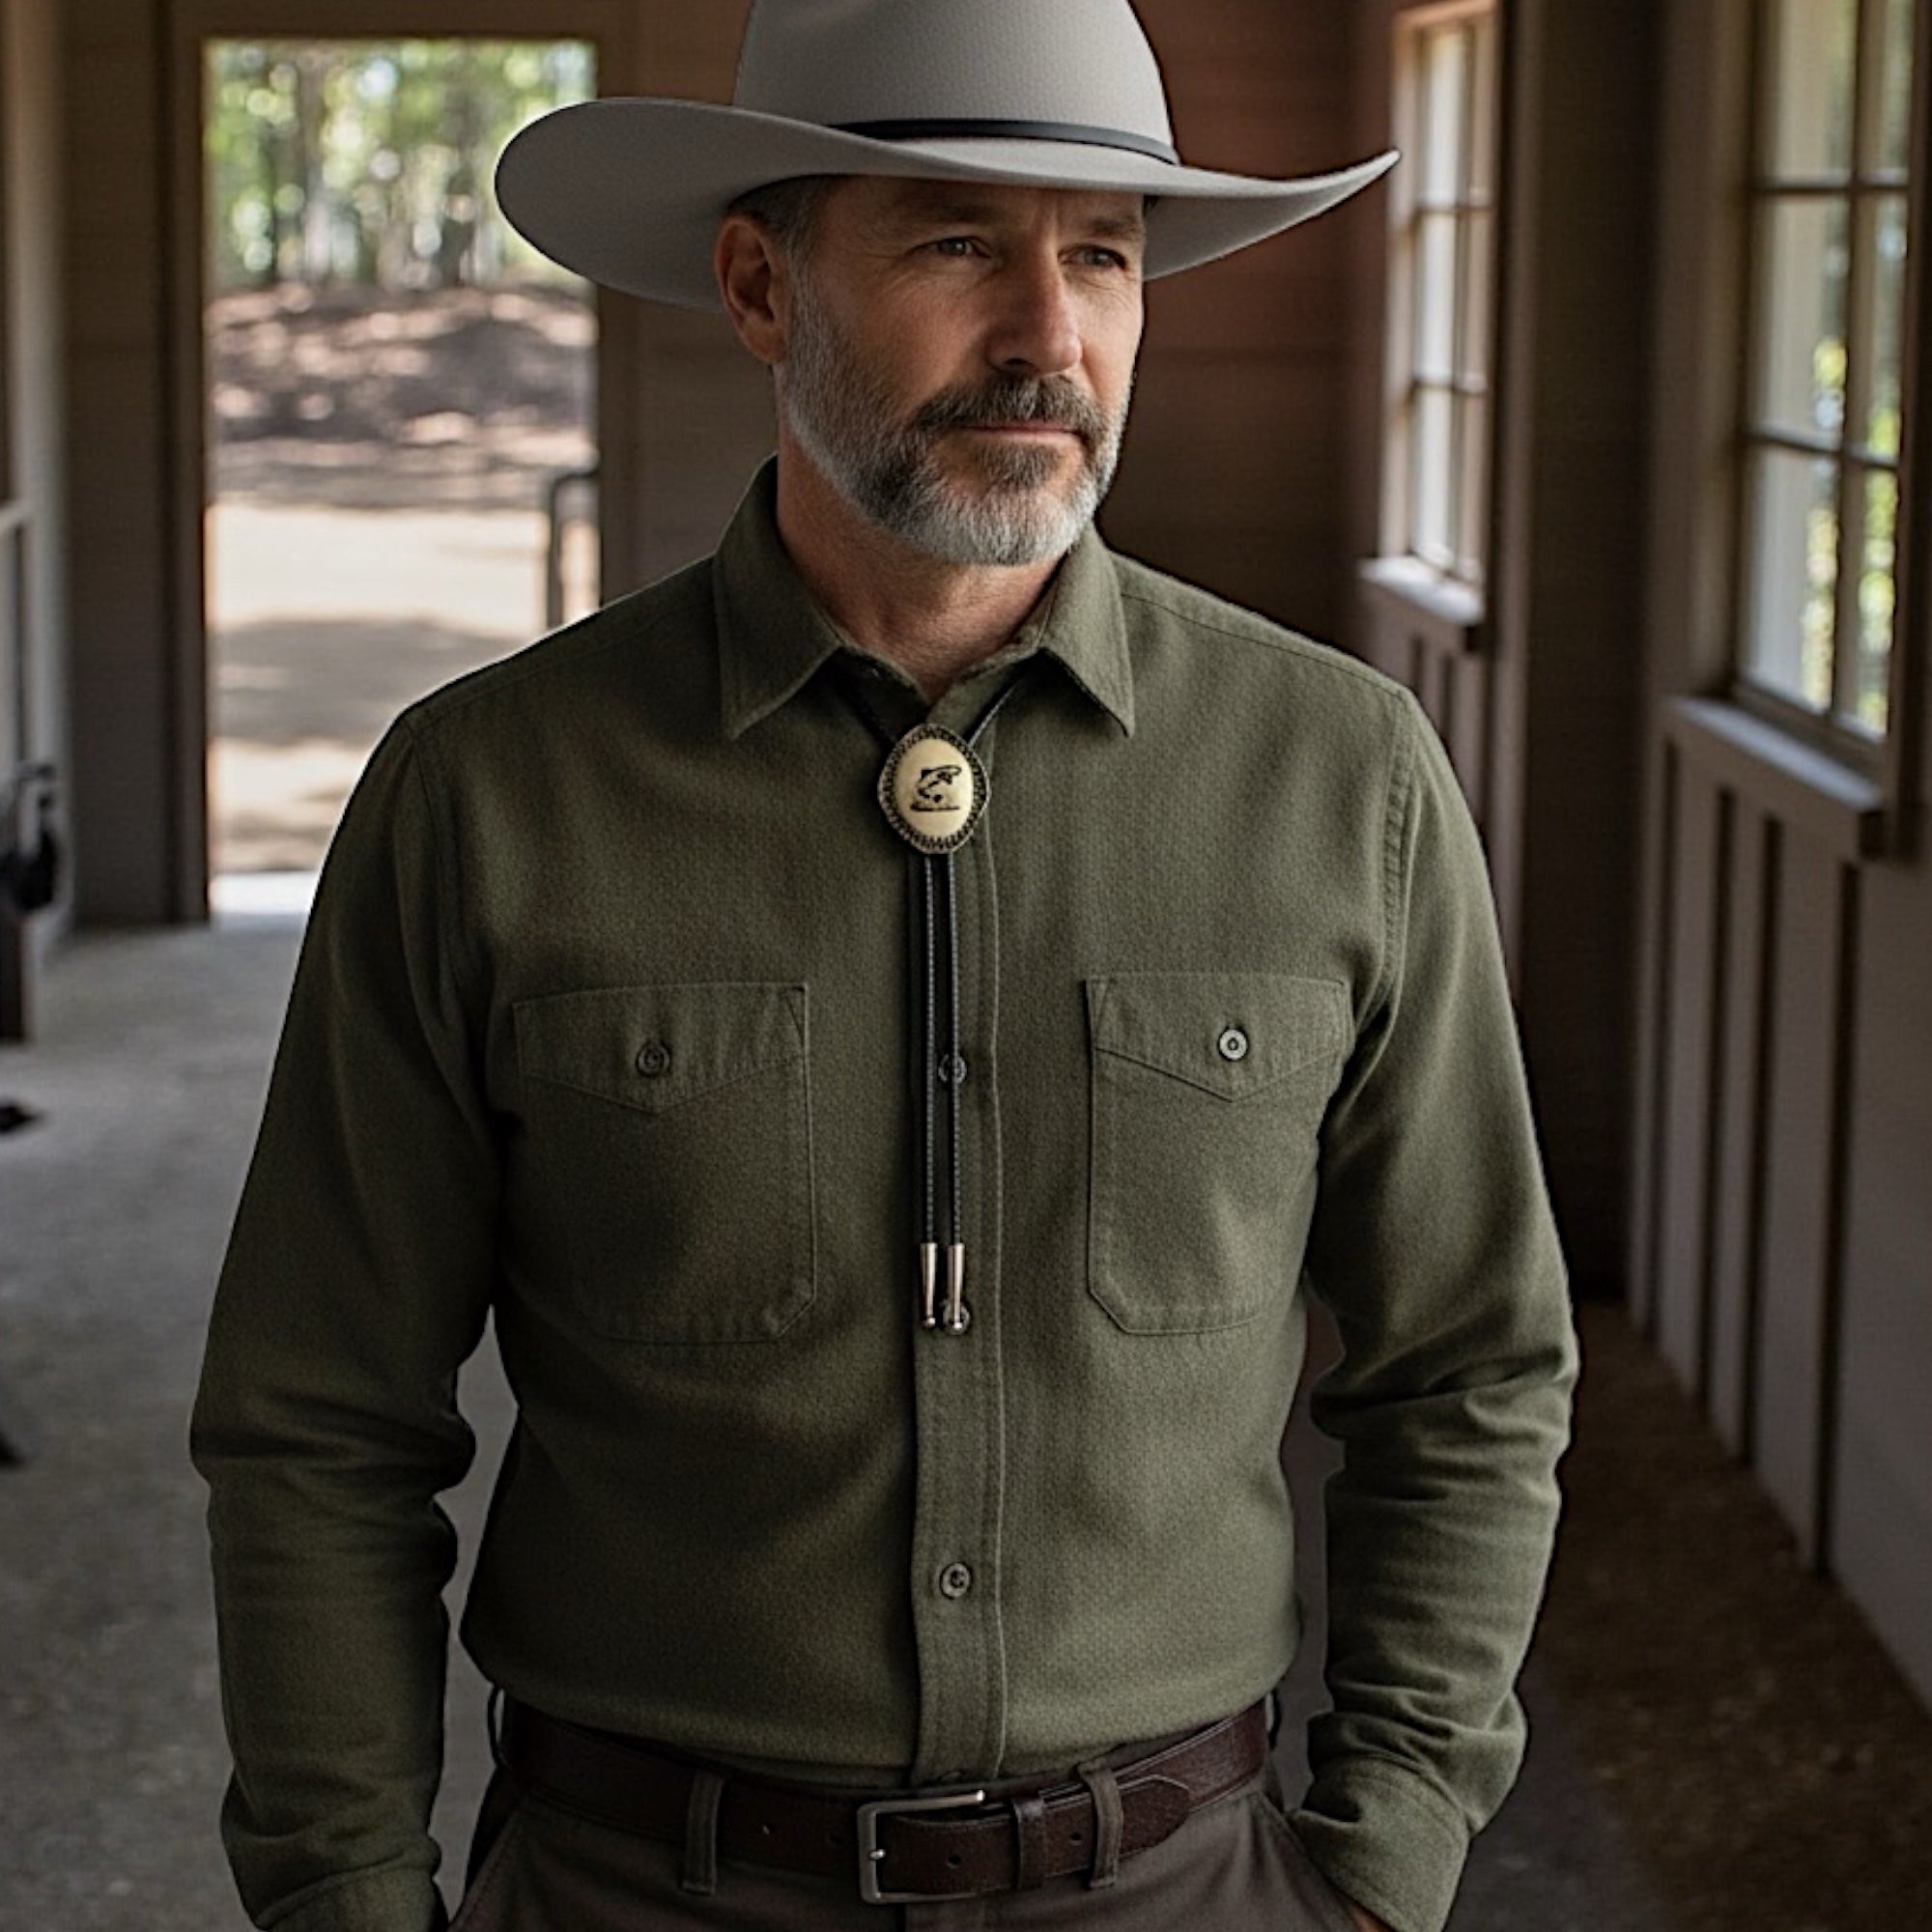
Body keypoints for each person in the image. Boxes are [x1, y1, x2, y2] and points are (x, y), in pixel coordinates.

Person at [190, 4, 1578, 1930]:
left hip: (1187, 1885)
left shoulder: (1340, 781)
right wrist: (346, 1897)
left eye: (1101, 251)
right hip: (632, 1887)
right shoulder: (488, 792)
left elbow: (1469, 1368)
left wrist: (1384, 1855)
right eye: (953, 240)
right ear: (760, 285)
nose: (1047, 329)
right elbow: (319, 1414)